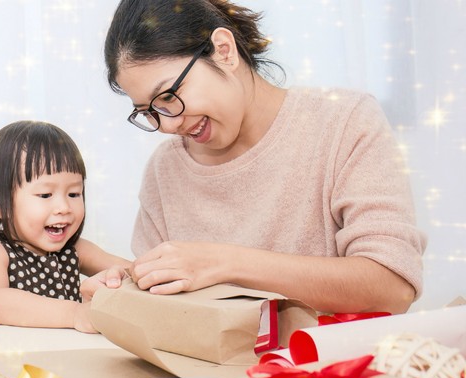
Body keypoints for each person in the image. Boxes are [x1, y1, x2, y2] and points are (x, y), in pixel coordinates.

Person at [101, 0, 426, 314]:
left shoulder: (344, 122)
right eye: (149, 112)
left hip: (333, 366)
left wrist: (223, 263)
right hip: (208, 370)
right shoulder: (165, 169)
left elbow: (393, 287)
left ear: (224, 51)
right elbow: (161, 307)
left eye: (170, 96)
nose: (168, 125)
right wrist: (120, 290)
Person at [0, 120, 130, 333]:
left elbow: (132, 270)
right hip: (5, 362)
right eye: (45, 195)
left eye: (74, 194)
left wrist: (123, 277)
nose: (64, 207)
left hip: (61, 361)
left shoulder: (75, 250)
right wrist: (75, 313)